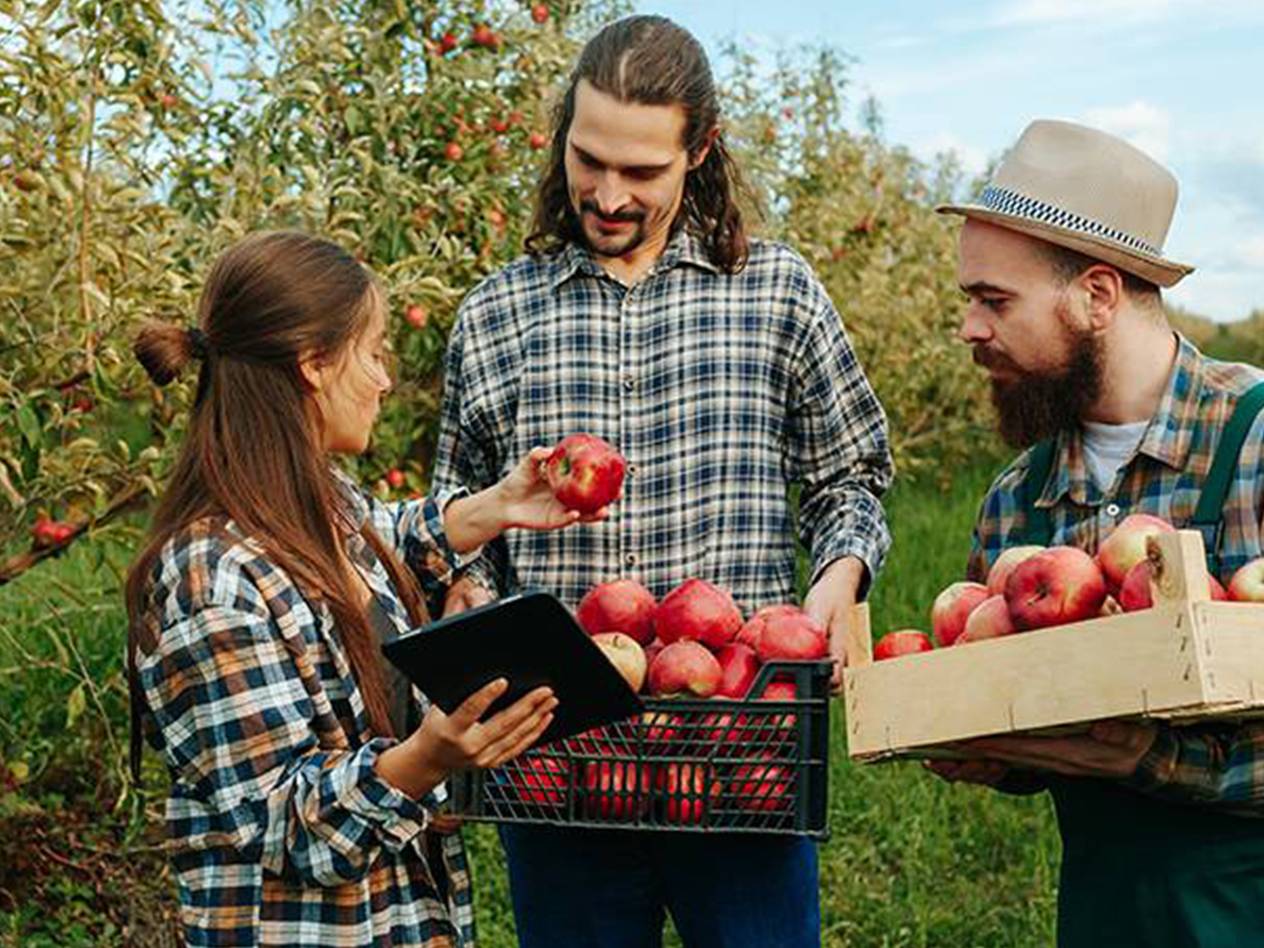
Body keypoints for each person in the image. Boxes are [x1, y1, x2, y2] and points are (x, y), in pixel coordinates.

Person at [431, 14, 893, 948]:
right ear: (563, 134)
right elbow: (454, 518)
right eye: (588, 158)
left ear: (701, 152)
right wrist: (462, 601)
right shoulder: (495, 317)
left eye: (641, 172)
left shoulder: (778, 293)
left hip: (742, 753)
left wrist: (837, 582)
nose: (606, 194)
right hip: (562, 762)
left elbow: (851, 475)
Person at [125, 231, 606, 947]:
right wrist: (428, 757)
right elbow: (285, 827)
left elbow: (387, 540)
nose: (385, 380)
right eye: (374, 352)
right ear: (314, 364)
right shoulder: (210, 577)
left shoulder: (320, 504)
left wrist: (500, 504)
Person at [930, 119, 1264, 947]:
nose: (970, 328)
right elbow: (1037, 710)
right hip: (1103, 913)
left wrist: (1149, 759)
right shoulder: (1019, 502)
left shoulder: (1255, 444)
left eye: (993, 300)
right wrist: (996, 752)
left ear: (1098, 295)